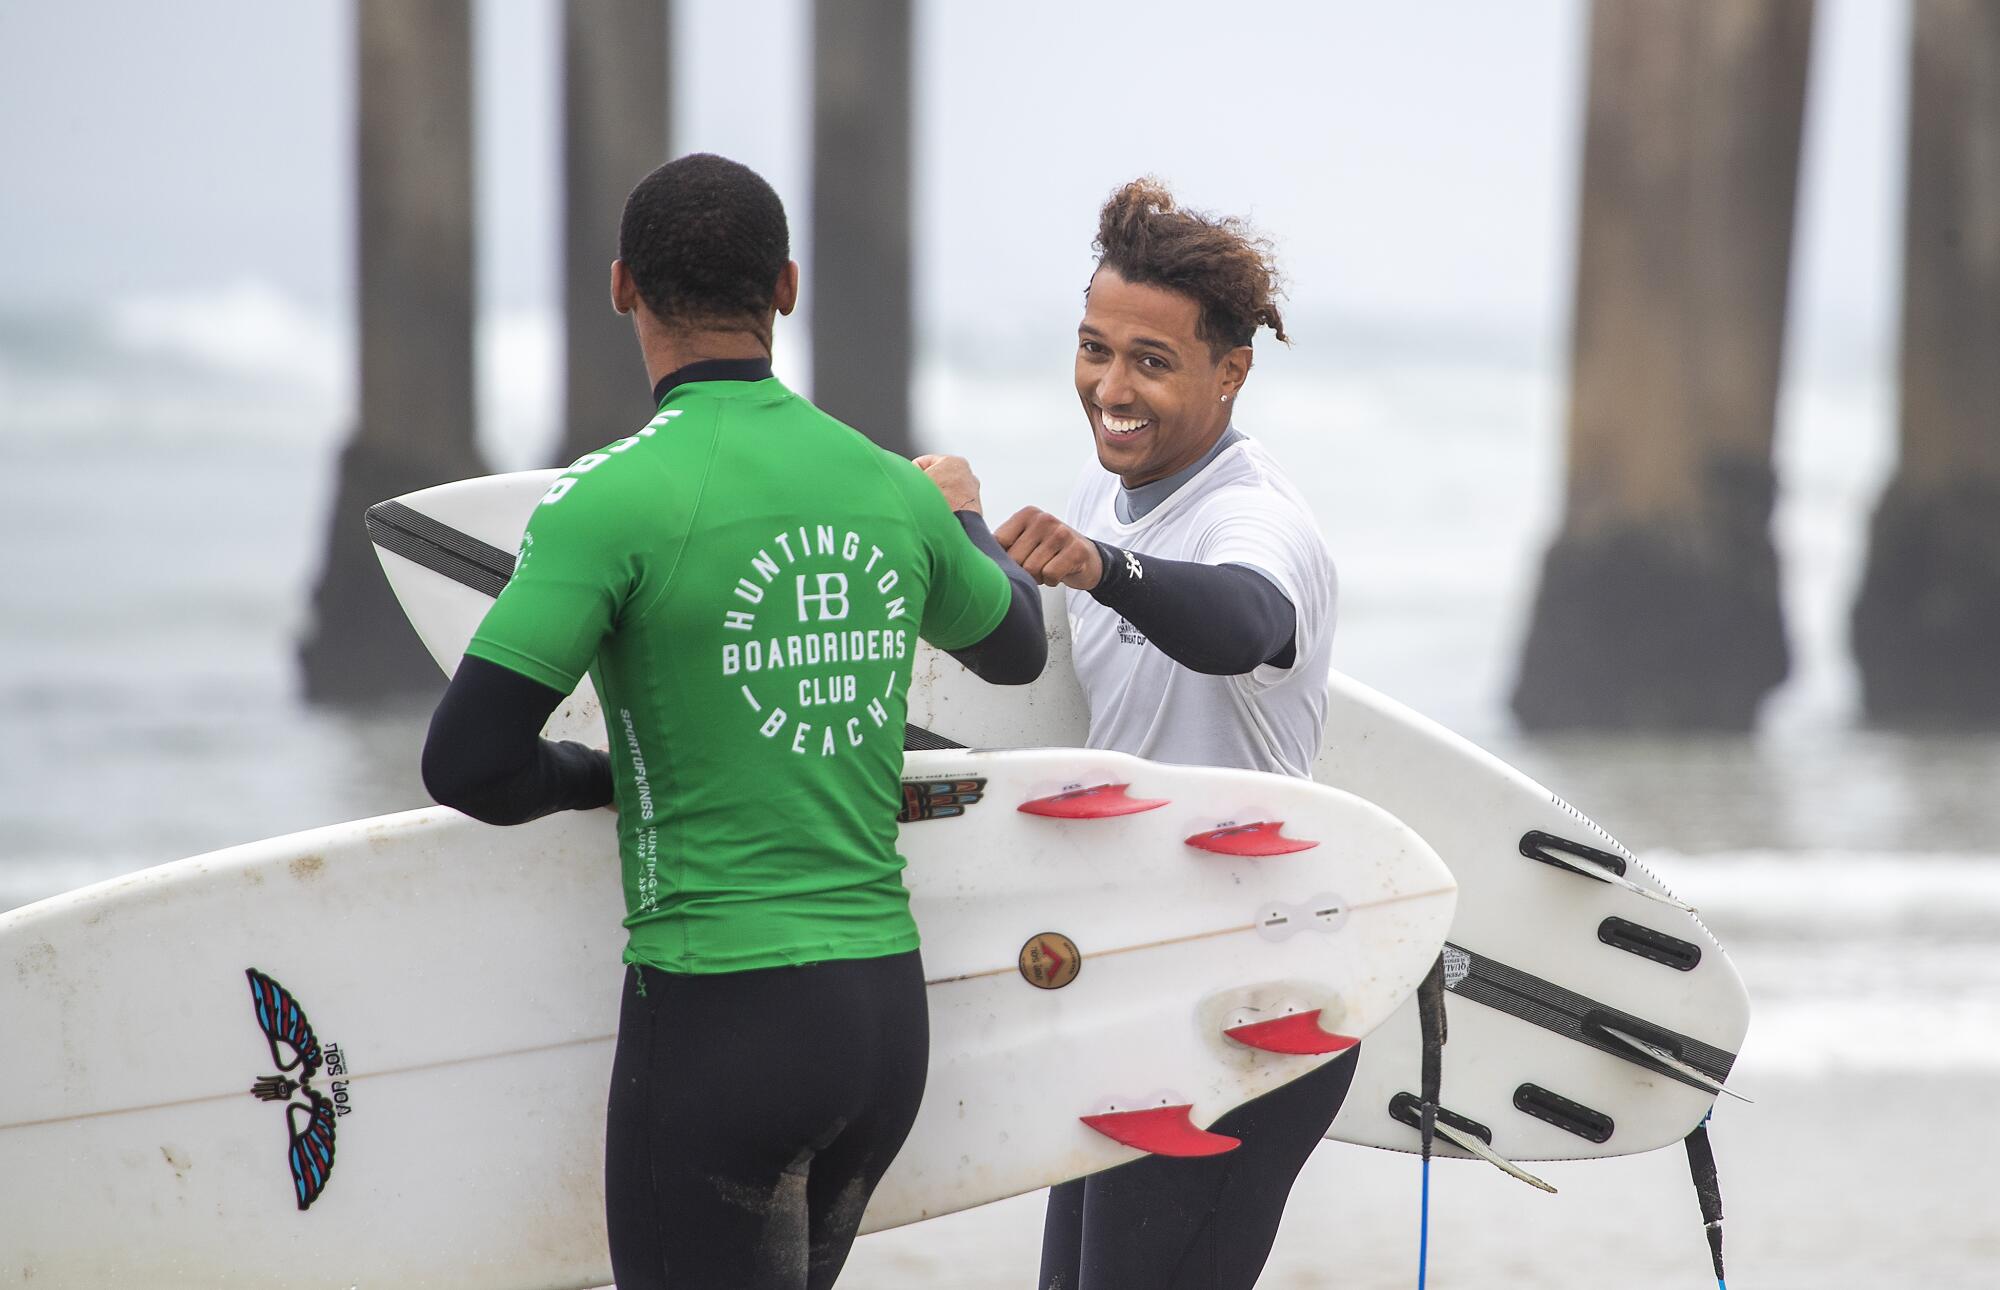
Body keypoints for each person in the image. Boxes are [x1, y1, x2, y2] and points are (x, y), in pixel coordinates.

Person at [420, 153, 1046, 1290]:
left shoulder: (607, 503)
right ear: (787, 288)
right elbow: (1016, 649)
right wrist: (966, 518)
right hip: (882, 1022)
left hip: (721, 1024)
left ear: (621, 285)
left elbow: (468, 763)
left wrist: (596, 775)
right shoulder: (889, 487)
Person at [920, 178, 1345, 1290]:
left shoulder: (1254, 517)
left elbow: (1241, 621)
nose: (1111, 389)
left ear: (1229, 372)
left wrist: (1107, 568)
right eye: (1093, 349)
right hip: (1135, 978)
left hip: (1246, 1003)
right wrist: (964, 526)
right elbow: (1027, 655)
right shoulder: (1107, 490)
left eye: (1150, 361)